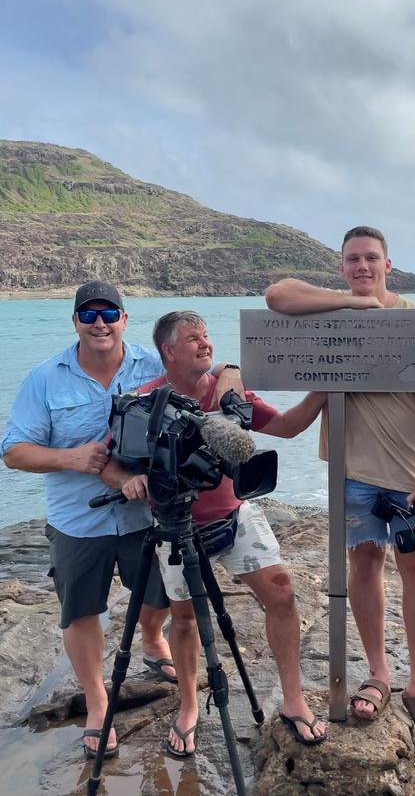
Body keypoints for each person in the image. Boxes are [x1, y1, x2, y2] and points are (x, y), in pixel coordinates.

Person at [102, 310, 328, 757]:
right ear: (168, 351)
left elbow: (286, 426)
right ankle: (188, 708)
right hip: (174, 526)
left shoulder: (229, 394)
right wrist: (126, 482)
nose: (206, 344)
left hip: (236, 515)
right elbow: (109, 463)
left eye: (207, 336)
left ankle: (293, 698)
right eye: (192, 339)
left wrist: (326, 384)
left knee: (282, 594)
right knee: (185, 620)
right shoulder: (144, 403)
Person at [265, 226, 415, 745]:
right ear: (342, 266)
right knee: (363, 567)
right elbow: (276, 295)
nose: (363, 266)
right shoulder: (332, 311)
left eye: (372, 259)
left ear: (388, 264)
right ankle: (379, 673)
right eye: (353, 260)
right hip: (350, 473)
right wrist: (355, 303)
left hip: (410, 475)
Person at [0, 281, 176, 760]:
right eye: (89, 313)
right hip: (78, 521)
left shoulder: (155, 365)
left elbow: (203, 374)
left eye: (109, 313)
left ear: (124, 318)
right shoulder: (45, 378)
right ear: (75, 321)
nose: (100, 322)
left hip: (147, 513)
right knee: (81, 610)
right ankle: (99, 702)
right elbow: (13, 452)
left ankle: (153, 640)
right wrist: (70, 458)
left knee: (159, 595)